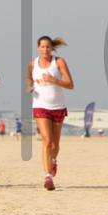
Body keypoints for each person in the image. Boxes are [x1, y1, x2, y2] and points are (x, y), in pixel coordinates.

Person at [26, 36, 74, 191]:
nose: (45, 50)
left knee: (55, 144)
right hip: (40, 106)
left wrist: (55, 80)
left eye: (48, 47)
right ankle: (48, 176)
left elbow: (70, 84)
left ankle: (53, 161)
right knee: (46, 140)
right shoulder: (32, 64)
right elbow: (28, 78)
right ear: (38, 48)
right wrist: (29, 86)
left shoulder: (59, 62)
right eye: (42, 47)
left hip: (58, 107)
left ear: (52, 48)